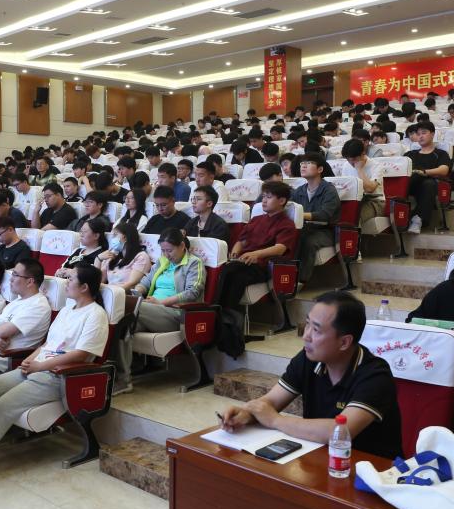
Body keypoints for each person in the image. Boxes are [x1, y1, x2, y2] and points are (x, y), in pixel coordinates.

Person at [220, 291, 402, 459]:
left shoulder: (375, 375)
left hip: (369, 469)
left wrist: (276, 420)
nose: (306, 336)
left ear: (344, 342)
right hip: (318, 458)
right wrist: (246, 414)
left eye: (316, 330)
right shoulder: (309, 360)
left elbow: (340, 432)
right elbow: (271, 401)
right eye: (307, 324)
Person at [0, 264, 109, 453]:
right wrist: (28, 361)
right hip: (36, 368)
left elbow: (81, 354)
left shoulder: (96, 315)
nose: (66, 283)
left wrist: (40, 366)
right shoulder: (67, 310)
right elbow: (48, 344)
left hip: (57, 377)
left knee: (0, 407)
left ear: (84, 287)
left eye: (71, 279)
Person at [114, 229, 206, 394]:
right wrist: (138, 292)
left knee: (130, 308)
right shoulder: (162, 262)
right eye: (163, 250)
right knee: (123, 326)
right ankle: (123, 380)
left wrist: (161, 303)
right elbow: (145, 282)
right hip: (151, 311)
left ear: (182, 246)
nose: (166, 254)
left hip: (176, 314)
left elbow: (193, 292)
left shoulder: (194, 263)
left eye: (169, 250)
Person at [214, 181, 298, 311]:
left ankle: (227, 313)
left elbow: (280, 248)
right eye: (263, 196)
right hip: (244, 261)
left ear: (281, 201)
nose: (263, 200)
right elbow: (242, 241)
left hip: (263, 266)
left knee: (236, 276)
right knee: (223, 270)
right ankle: (219, 311)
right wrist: (235, 252)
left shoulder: (287, 224)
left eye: (269, 197)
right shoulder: (256, 219)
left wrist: (256, 254)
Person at [0, 259, 53, 380]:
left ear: (30, 281)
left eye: (15, 275)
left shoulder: (38, 305)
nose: (10, 279)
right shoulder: (16, 302)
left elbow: (1, 331)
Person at [292, 152, 342, 282]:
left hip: (326, 231)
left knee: (308, 242)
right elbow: (290, 208)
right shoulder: (299, 190)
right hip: (305, 228)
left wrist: (300, 214)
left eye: (308, 163)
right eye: (302, 163)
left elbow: (325, 215)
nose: (303, 166)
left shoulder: (329, 190)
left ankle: (300, 280)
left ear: (320, 169)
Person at [404, 121, 450, 234]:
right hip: (410, 184)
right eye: (418, 134)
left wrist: (424, 172)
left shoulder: (440, 153)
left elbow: (444, 170)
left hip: (429, 185)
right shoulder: (410, 154)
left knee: (428, 183)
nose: (420, 136)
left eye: (424, 133)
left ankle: (417, 219)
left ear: (432, 134)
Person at [97, 223, 152, 291]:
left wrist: (107, 288)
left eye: (115, 235)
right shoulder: (113, 256)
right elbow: (98, 281)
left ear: (125, 237)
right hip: (108, 292)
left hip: (123, 294)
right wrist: (98, 259)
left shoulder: (141, 257)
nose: (112, 239)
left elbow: (131, 284)